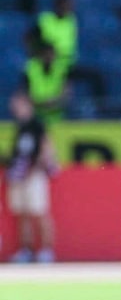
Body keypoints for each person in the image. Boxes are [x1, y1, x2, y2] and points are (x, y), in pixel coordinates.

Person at [4, 92, 59, 263]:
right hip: (19, 176)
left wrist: (38, 167)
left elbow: (47, 147)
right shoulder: (20, 126)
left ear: (27, 104)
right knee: (22, 214)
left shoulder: (37, 124)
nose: (15, 108)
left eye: (18, 104)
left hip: (35, 174)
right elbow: (18, 153)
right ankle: (26, 250)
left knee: (40, 212)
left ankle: (46, 250)